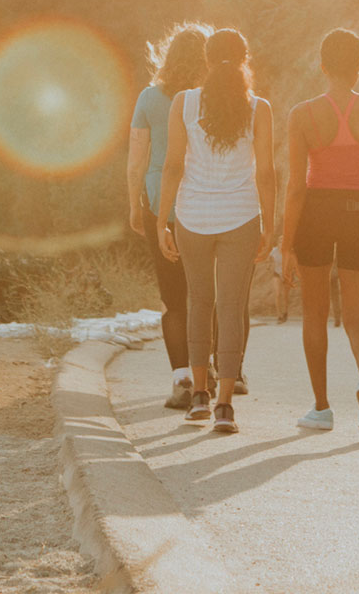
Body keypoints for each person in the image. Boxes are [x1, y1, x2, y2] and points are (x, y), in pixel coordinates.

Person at [158, 28, 274, 434]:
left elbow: (172, 165)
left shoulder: (184, 103)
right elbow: (266, 173)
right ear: (245, 59)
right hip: (242, 217)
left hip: (192, 216)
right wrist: (270, 227)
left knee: (199, 303)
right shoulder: (259, 108)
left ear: (207, 60)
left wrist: (162, 220)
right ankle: (226, 405)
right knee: (230, 307)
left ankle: (200, 399)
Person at [282, 28, 359, 440]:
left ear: (323, 65)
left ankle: (322, 408)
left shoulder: (302, 114)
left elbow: (296, 186)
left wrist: (286, 242)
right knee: (358, 319)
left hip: (316, 211)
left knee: (314, 316)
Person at [127, 23, 213, 409]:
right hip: (206, 202)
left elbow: (136, 162)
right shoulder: (213, 98)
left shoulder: (148, 97)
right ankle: (207, 373)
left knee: (173, 300)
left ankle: (182, 379)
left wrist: (134, 205)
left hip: (159, 205)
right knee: (204, 295)